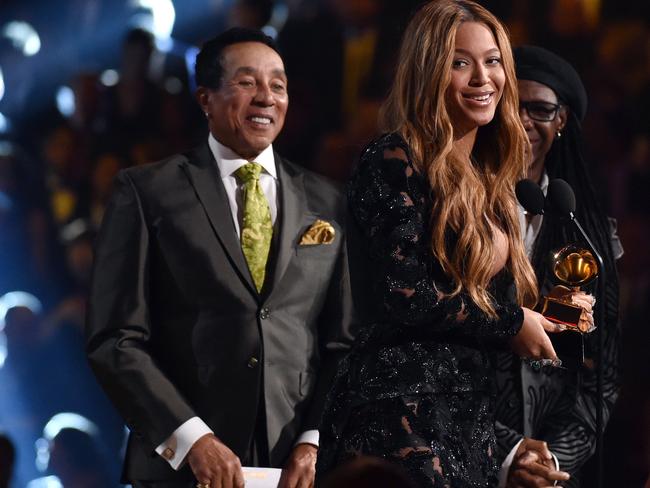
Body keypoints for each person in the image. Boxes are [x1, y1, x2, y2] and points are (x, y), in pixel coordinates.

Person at [316, 2, 582, 486]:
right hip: (399, 418)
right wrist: (511, 323)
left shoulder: (490, 176)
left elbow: (476, 310)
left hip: (469, 421)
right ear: (428, 71)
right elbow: (407, 295)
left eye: (493, 60)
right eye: (460, 62)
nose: (483, 77)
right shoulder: (394, 158)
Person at [86, 27, 355, 488]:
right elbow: (116, 339)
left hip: (296, 470)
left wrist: (315, 440)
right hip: (184, 471)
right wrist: (192, 441)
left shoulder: (329, 202)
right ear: (205, 98)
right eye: (247, 82)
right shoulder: (147, 192)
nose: (266, 98)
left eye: (278, 85)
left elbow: (345, 343)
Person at [494, 45, 622, 488]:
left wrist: (552, 462)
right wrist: (508, 458)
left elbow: (599, 380)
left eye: (542, 109)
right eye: (515, 107)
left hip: (554, 474)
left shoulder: (584, 234)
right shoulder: (460, 215)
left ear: (562, 120)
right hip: (468, 456)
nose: (526, 121)